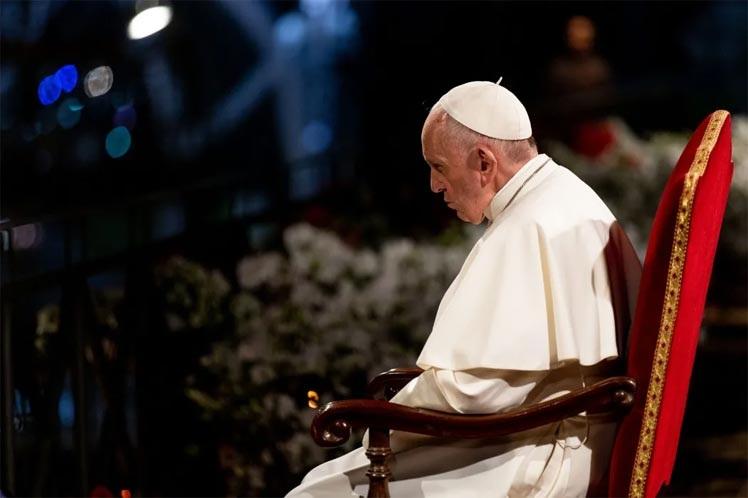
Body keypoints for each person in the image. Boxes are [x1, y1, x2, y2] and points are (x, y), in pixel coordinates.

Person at [286, 80, 641, 497]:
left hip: (538, 452)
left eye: (438, 167)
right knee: (322, 485)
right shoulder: (558, 196)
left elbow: (474, 392)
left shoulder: (531, 226)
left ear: (484, 162)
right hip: (538, 433)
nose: (435, 186)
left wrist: (383, 418)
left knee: (318, 494)